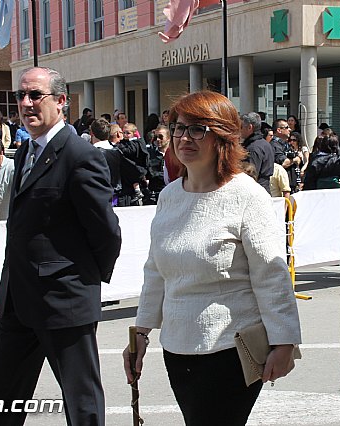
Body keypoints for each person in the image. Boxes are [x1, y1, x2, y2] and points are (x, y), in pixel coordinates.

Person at [122, 90, 301, 426]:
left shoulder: (247, 195)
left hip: (231, 350)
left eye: (197, 129)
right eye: (178, 127)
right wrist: (140, 335)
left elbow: (271, 275)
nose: (183, 137)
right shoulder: (169, 196)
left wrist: (284, 341)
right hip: (177, 350)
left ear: (222, 137)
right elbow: (156, 272)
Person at [0, 67, 122, 426]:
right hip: (18, 301)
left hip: (63, 300)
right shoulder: (25, 151)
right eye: (21, 95)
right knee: (0, 396)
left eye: (34, 95)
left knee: (80, 401)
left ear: (60, 101)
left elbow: (106, 233)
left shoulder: (79, 155)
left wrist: (81, 281)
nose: (25, 103)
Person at [240, 112, 274, 193]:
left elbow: (250, 175)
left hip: (255, 192)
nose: (239, 130)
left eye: (241, 127)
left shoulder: (253, 148)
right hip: (264, 190)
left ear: (249, 127)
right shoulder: (265, 144)